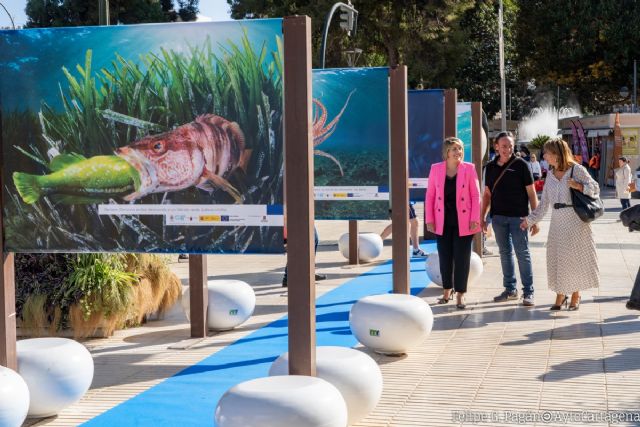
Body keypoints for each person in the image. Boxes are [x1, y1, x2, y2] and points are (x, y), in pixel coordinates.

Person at [520, 138, 600, 310]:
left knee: (573, 259)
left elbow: (595, 188)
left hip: (575, 221)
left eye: (547, 153)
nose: (545, 156)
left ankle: (575, 294)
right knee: (558, 259)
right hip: (557, 223)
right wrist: (529, 220)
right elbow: (544, 204)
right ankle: (561, 294)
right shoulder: (550, 174)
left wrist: (578, 186)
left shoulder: (576, 170)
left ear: (557, 154)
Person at [481, 131, 539, 306]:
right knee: (505, 253)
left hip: (519, 218)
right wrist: (482, 217)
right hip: (498, 217)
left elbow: (532, 193)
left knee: (523, 254)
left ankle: (528, 292)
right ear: (496, 146)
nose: (507, 149)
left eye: (510, 146)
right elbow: (487, 195)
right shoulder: (489, 168)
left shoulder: (522, 165)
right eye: (504, 146)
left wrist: (534, 219)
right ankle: (510, 289)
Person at [425, 137, 481, 309]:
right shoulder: (435, 169)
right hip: (442, 221)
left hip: (464, 221)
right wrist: (429, 219)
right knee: (445, 258)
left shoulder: (469, 169)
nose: (459, 152)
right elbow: (430, 196)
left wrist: (475, 218)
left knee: (462, 258)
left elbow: (475, 195)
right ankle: (447, 291)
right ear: (446, 152)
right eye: (455, 149)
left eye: (460, 148)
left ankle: (460, 294)